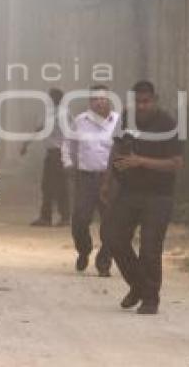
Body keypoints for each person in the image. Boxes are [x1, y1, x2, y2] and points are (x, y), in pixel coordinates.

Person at [106, 80, 183, 315]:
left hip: (158, 195)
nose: (141, 106)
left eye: (146, 101)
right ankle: (138, 285)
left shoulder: (168, 124)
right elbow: (116, 149)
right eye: (138, 101)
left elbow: (176, 164)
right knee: (114, 239)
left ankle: (151, 298)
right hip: (128, 191)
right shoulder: (127, 118)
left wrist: (141, 162)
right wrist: (107, 180)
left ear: (155, 99)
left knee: (150, 248)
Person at [61, 85, 119, 276]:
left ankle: (104, 262)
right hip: (85, 177)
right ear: (90, 102)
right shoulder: (80, 121)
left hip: (111, 179)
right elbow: (68, 144)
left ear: (109, 100)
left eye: (103, 98)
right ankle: (84, 250)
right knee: (80, 219)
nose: (99, 102)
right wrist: (68, 163)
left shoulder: (118, 121)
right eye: (95, 99)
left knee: (111, 221)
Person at [21, 88, 71, 227]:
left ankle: (53, 217)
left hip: (57, 153)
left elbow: (39, 129)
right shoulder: (58, 114)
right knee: (53, 186)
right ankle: (56, 216)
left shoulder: (57, 114)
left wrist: (26, 144)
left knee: (53, 186)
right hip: (56, 153)